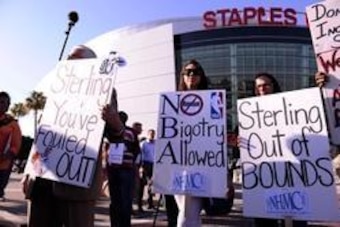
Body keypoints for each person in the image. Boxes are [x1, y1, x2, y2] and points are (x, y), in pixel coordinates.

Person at [23, 44, 112, 227]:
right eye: (69, 59)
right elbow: (43, 133)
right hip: (42, 182)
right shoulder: (56, 90)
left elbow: (113, 133)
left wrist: (114, 122)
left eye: (77, 60)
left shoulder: (104, 91)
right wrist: (29, 171)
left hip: (76, 186)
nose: (70, 63)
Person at [250, 72, 307, 227]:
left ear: (274, 86)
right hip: (264, 175)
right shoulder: (249, 114)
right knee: (264, 220)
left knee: (295, 217)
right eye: (258, 86)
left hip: (291, 172)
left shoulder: (290, 108)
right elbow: (241, 139)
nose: (262, 89)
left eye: (266, 85)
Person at [174, 59, 209, 227]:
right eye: (187, 72)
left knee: (190, 213)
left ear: (201, 76)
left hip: (203, 163)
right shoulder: (172, 101)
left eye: (195, 72)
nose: (191, 75)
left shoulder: (212, 101)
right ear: (182, 76)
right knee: (187, 212)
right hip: (178, 165)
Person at [104, 112, 140, 227]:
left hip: (119, 169)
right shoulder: (111, 131)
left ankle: (118, 224)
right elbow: (136, 151)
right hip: (122, 169)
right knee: (122, 200)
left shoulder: (110, 131)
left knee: (118, 200)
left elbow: (136, 150)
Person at [0, 91, 22, 201]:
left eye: (4, 102)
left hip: (4, 163)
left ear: (8, 106)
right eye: (0, 102)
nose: (1, 104)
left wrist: (9, 154)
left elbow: (16, 143)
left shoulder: (12, 123)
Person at [138, 129, 156, 210]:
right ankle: (139, 204)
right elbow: (140, 155)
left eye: (153, 134)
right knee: (142, 184)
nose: (152, 135)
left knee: (151, 185)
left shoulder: (156, 143)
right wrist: (141, 167)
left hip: (153, 164)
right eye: (151, 134)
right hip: (145, 164)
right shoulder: (144, 144)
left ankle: (150, 203)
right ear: (148, 134)